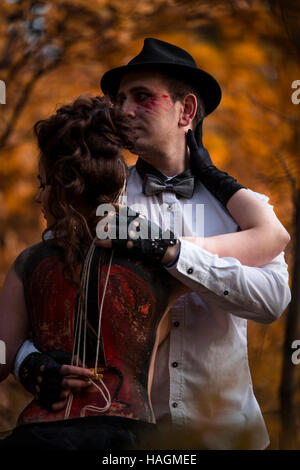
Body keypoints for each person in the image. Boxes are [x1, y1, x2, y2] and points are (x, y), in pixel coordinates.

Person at [3, 38, 291, 450]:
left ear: (186, 111)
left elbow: (272, 301)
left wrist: (171, 252)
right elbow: (44, 288)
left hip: (227, 436)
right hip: (126, 440)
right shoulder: (97, 196)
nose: (124, 111)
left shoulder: (243, 211)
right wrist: (28, 360)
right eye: (119, 99)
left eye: (142, 97)